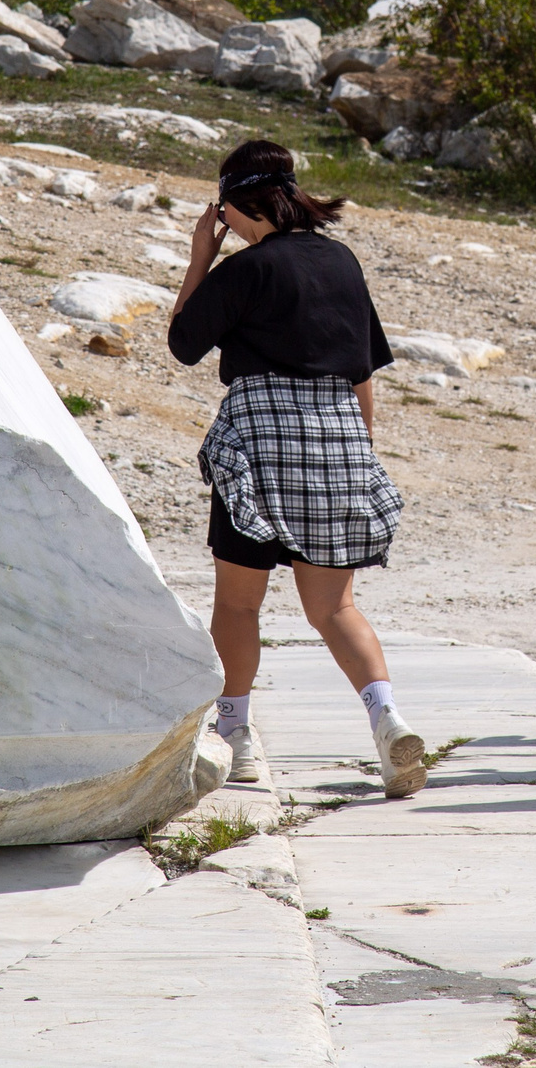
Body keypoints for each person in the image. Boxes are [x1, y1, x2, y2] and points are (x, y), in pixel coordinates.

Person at [167, 139, 425, 799]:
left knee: (239, 602)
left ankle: (240, 739)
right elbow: (362, 374)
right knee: (335, 606)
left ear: (231, 205)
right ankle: (387, 718)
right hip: (338, 439)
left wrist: (201, 256)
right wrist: (359, 458)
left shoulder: (244, 271)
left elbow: (182, 343)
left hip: (259, 441)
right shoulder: (342, 262)